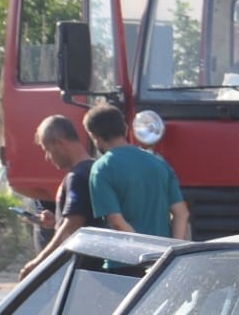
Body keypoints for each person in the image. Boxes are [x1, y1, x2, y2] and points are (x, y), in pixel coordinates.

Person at [85, 103, 189, 239]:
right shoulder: (159, 163)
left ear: (94, 136)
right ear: (126, 129)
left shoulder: (101, 169)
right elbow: (181, 213)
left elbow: (116, 222)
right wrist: (171, 253)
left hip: (124, 258)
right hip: (163, 256)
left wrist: (143, 252)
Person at [19, 114, 95, 278]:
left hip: (82, 271)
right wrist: (56, 221)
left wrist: (39, 262)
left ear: (59, 143)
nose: (47, 157)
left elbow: (72, 226)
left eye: (47, 149)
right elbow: (84, 218)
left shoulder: (77, 176)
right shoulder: (92, 170)